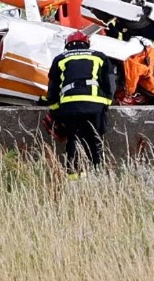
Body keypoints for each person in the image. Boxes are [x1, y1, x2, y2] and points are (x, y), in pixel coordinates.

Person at [45, 31, 114, 174]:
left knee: (73, 142)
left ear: (67, 45)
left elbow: (52, 88)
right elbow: (110, 83)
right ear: (87, 44)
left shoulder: (60, 58)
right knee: (95, 142)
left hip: (70, 106)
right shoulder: (99, 56)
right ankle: (96, 175)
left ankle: (74, 178)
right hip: (94, 106)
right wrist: (106, 102)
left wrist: (55, 111)